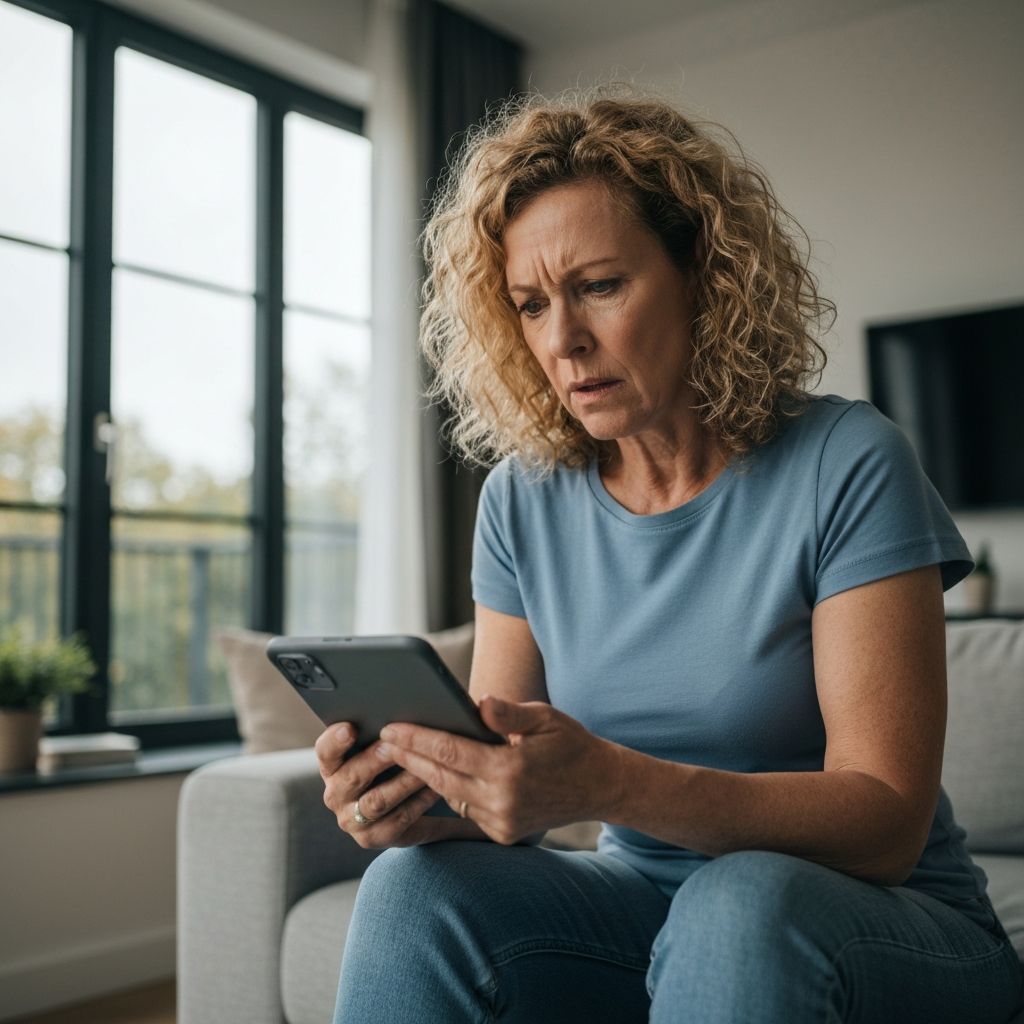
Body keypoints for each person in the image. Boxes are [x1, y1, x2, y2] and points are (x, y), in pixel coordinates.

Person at [318, 91, 1024, 1023]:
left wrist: (610, 779)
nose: (563, 340)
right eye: (530, 305)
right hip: (648, 914)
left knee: (737, 903)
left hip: (889, 922)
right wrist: (421, 792)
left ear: (700, 273)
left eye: (600, 286)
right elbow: (501, 769)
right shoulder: (521, 501)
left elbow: (887, 823)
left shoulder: (847, 462)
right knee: (414, 887)